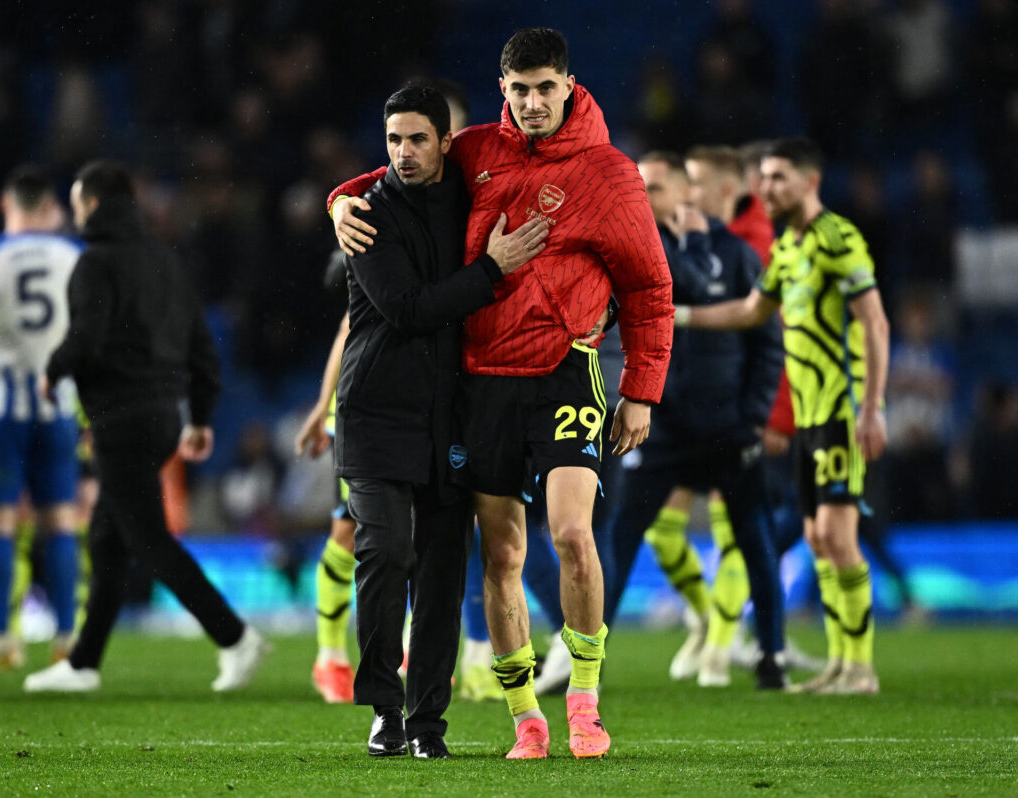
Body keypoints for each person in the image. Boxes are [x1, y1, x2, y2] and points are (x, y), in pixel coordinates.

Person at [329, 29, 673, 759]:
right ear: (503, 89)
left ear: (570, 85)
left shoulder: (609, 175)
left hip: (566, 371)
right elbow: (391, 178)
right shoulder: (477, 150)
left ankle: (584, 700)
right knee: (502, 555)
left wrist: (641, 390)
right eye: (519, 89)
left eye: (546, 87)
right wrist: (337, 201)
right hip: (482, 381)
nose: (532, 102)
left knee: (573, 534)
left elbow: (649, 288)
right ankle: (527, 720)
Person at [334, 84, 548, 759]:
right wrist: (491, 269)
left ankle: (427, 723)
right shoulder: (366, 213)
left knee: (442, 573)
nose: (403, 152)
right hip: (375, 414)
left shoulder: (467, 196)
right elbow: (405, 309)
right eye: (393, 140)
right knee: (387, 549)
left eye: (417, 139)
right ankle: (381, 708)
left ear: (446, 142)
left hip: (451, 414)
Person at [22, 160, 269, 693]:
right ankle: (83, 663)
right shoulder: (164, 262)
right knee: (109, 540)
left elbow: (87, 336)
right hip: (164, 416)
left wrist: (54, 370)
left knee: (150, 540)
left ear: (89, 203)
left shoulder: (95, 264)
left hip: (120, 417)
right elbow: (202, 344)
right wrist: (200, 416)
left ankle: (235, 637)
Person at [675, 137, 890, 694]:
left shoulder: (837, 238)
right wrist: (683, 316)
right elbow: (751, 310)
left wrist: (872, 408)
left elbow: (875, 322)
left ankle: (861, 668)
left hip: (841, 410)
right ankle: (841, 665)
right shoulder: (789, 249)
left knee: (838, 539)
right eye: (762, 178)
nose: (765, 188)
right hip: (808, 416)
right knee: (818, 538)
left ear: (810, 182)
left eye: (778, 178)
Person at [607, 151, 787, 689]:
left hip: (727, 427)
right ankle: (582, 660)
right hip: (662, 429)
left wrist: (754, 417)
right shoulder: (646, 250)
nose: (645, 197)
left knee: (755, 539)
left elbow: (767, 344)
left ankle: (770, 656)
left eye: (657, 188)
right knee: (621, 535)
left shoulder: (734, 256)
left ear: (687, 193)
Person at [0, 166, 82, 670]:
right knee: (61, 522)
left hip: (4, 405)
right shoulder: (73, 257)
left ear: (7, 206)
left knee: (2, 524)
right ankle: (67, 637)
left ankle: (4, 637)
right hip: (59, 404)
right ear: (48, 207)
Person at [294, 309, 357, 704]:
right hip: (363, 408)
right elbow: (347, 327)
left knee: (423, 529)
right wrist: (322, 406)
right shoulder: (382, 250)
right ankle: (331, 657)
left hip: (423, 402)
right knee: (349, 529)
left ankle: (409, 650)